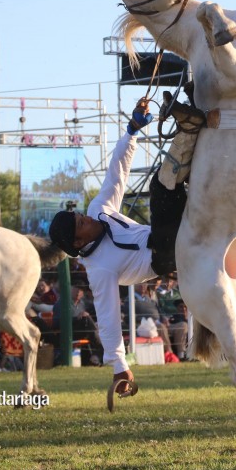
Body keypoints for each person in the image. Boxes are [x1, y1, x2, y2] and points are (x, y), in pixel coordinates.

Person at [48, 100, 187, 394]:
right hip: (163, 257)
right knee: (161, 189)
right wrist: (118, 365)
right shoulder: (98, 269)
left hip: (165, 234)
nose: (86, 217)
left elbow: (117, 172)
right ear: (78, 243)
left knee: (176, 176)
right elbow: (109, 317)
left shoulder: (99, 208)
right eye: (80, 224)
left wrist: (132, 131)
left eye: (80, 215)